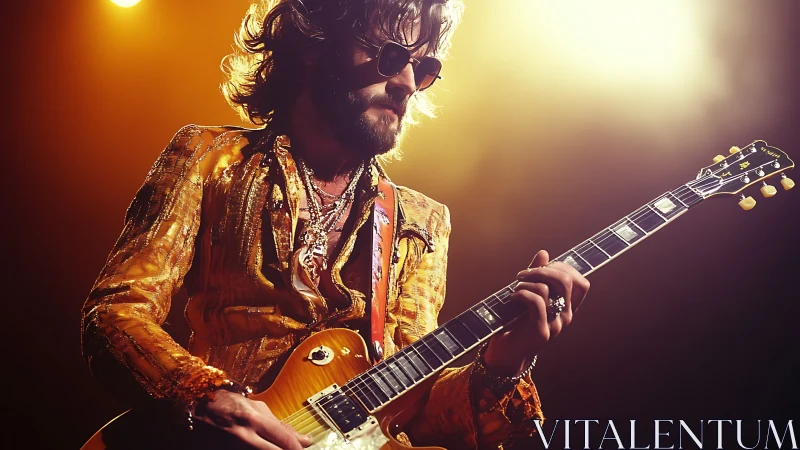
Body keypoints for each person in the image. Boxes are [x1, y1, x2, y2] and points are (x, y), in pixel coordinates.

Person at [81, 0, 590, 448]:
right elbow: (114, 314)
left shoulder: (422, 220)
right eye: (391, 55)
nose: (408, 82)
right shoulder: (210, 158)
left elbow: (417, 409)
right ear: (313, 43)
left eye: (423, 66)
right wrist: (206, 395)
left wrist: (504, 362)